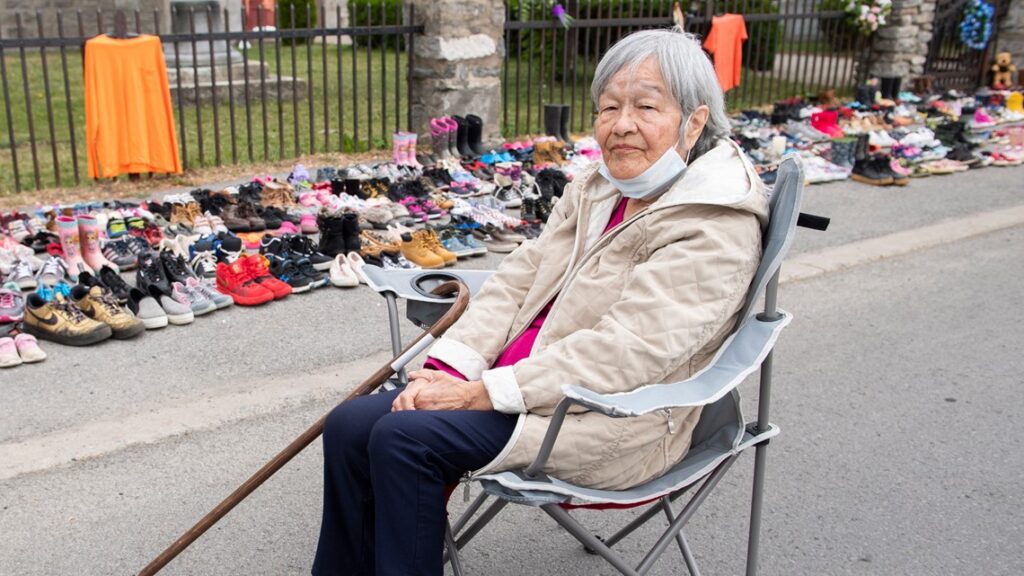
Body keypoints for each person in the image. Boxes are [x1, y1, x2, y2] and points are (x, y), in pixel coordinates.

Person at [312, 27, 768, 576]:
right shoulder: (598, 185)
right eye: (609, 107)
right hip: (519, 384)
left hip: (609, 417)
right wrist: (442, 369)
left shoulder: (712, 223)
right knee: (349, 425)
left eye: (647, 107)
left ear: (693, 122)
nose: (622, 125)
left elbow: (628, 353)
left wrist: (482, 393)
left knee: (405, 439)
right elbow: (520, 277)